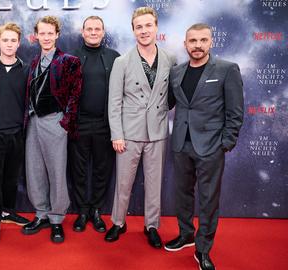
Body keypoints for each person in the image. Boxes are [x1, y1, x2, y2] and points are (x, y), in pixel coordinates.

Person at [164, 23, 244, 270]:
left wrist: (226, 143)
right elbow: (168, 103)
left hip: (211, 146)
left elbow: (235, 111)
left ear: (211, 42)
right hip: (180, 144)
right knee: (182, 194)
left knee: (208, 200)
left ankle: (203, 249)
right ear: (185, 44)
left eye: (202, 40)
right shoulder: (176, 72)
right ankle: (186, 234)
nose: (197, 45)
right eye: (192, 41)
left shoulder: (227, 69)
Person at [105, 7, 176, 248]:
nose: (144, 31)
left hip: (157, 131)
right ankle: (118, 222)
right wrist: (117, 134)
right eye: (139, 27)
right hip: (129, 133)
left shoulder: (170, 59)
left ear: (156, 27)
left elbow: (172, 96)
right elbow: (114, 102)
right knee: (123, 183)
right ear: (133, 30)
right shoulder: (121, 61)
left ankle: (152, 226)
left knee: (155, 183)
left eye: (148, 25)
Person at [21, 15, 82, 243]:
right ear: (36, 36)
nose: (45, 37)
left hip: (55, 121)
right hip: (34, 122)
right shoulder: (34, 62)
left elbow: (76, 95)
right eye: (42, 33)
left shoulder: (69, 61)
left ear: (57, 34)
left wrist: (65, 122)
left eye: (50, 33)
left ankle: (56, 219)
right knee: (34, 170)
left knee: (56, 171)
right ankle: (41, 214)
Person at [0, 22, 30, 245]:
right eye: (5, 40)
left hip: (17, 133)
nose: (9, 44)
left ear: (19, 43)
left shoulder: (27, 69)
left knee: (11, 178)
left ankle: (8, 212)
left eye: (13, 40)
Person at [69, 16, 119, 233]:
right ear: (82, 32)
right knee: (78, 171)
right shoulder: (71, 58)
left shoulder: (114, 58)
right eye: (89, 29)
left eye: (97, 28)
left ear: (103, 31)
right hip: (78, 124)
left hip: (104, 124)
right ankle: (82, 211)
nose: (93, 32)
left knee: (102, 170)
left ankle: (96, 210)